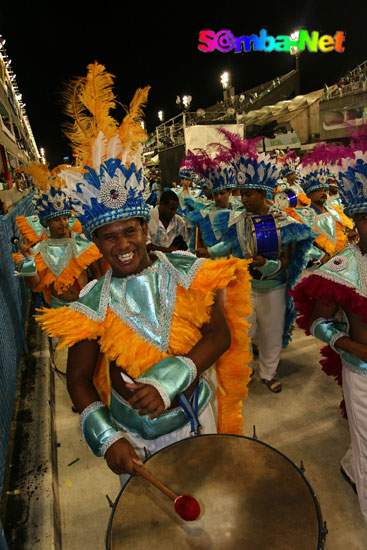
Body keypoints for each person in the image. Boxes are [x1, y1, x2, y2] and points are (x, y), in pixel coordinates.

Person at [36, 62, 252, 478]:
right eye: (109, 237)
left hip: (196, 420)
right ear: (95, 244)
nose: (122, 245)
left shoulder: (187, 271)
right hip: (135, 439)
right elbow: (78, 378)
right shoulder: (92, 302)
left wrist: (169, 380)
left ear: (144, 225)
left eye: (129, 231)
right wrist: (105, 435)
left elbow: (219, 333)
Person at [292, 144, 367, 526]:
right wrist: (352, 345)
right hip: (363, 376)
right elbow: (319, 324)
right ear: (355, 220)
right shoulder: (343, 267)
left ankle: (351, 466)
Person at [212, 131, 314, 393]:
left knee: (271, 334)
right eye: (241, 194)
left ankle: (268, 373)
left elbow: (286, 260)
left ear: (262, 193)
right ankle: (243, 372)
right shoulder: (237, 219)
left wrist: (263, 265)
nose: (242, 199)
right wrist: (208, 253)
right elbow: (230, 245)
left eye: (247, 194)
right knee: (241, 333)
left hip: (273, 288)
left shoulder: (284, 222)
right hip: (245, 286)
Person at [13, 163, 102, 306]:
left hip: (86, 306)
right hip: (59, 311)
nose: (63, 223)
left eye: (65, 218)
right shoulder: (39, 250)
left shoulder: (81, 242)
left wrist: (93, 298)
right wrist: (29, 260)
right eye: (57, 220)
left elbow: (97, 273)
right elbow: (34, 286)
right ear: (46, 223)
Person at [286, 147, 353, 268]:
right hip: (317, 267)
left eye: (325, 190)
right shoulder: (301, 214)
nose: (323, 193)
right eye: (318, 191)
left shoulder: (335, 211)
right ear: (309, 194)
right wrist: (320, 256)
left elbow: (344, 235)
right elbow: (298, 243)